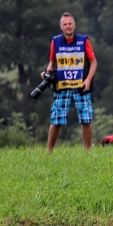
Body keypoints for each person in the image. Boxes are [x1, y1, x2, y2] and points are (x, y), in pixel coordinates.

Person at [42, 12, 98, 152]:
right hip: (62, 86)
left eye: (70, 24)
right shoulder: (55, 41)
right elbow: (52, 62)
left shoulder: (84, 41)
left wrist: (88, 79)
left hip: (81, 86)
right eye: (65, 24)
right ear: (61, 26)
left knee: (86, 119)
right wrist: (47, 73)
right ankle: (49, 152)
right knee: (56, 120)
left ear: (74, 25)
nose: (68, 26)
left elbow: (93, 62)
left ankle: (88, 151)